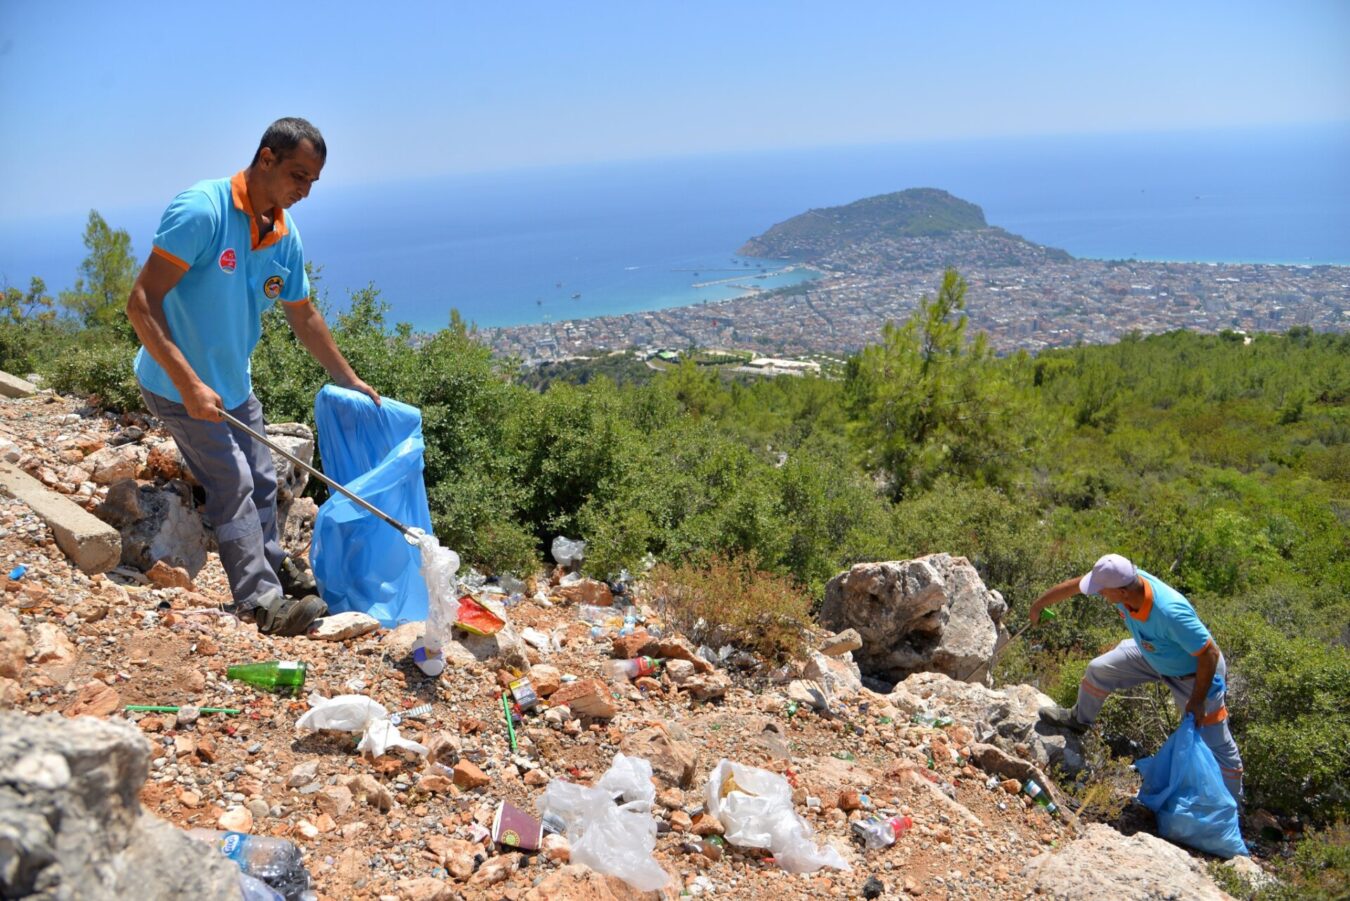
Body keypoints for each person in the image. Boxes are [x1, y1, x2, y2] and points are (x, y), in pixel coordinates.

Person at [125, 117, 379, 636]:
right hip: (177, 382)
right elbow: (141, 302)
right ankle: (259, 602)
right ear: (266, 158)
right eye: (297, 175)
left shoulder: (284, 233)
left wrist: (347, 376)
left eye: (312, 181)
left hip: (233, 383)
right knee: (233, 481)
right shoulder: (203, 210)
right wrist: (190, 383)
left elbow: (303, 314)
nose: (304, 191)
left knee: (265, 478)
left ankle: (270, 563)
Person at [1031, 553, 1244, 803]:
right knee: (1099, 670)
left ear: (1122, 592)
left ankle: (1233, 803)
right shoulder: (1122, 579)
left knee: (1216, 740)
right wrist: (1038, 605)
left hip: (1195, 672)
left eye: (1102, 591)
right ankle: (1079, 720)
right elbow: (1075, 586)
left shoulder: (1169, 611)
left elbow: (1209, 652)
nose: (1099, 595)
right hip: (1153, 651)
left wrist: (1197, 700)